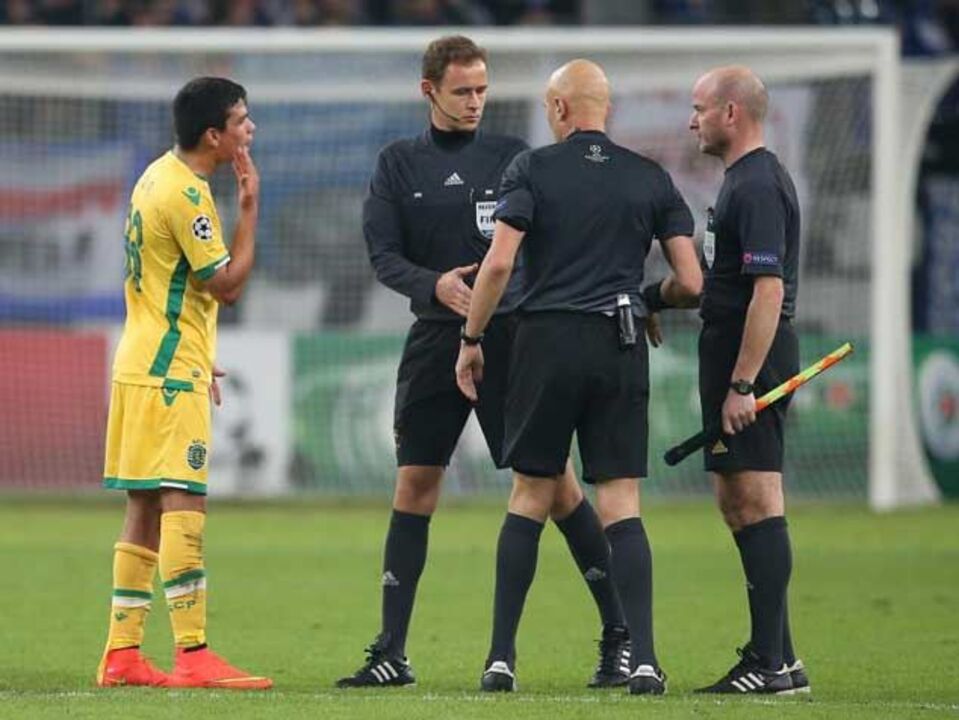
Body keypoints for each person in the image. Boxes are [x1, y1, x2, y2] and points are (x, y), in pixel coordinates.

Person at [337, 36, 632, 689]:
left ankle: (620, 637)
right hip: (433, 340)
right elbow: (382, 255)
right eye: (462, 91)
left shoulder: (513, 159)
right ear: (428, 91)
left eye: (481, 89)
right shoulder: (397, 164)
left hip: (512, 342)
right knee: (414, 483)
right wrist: (432, 285)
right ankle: (391, 650)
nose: (475, 102)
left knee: (554, 485)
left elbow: (546, 245)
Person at [455, 59, 702, 695]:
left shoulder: (531, 168)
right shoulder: (651, 177)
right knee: (620, 501)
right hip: (619, 342)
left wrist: (472, 338)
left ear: (561, 109)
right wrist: (648, 299)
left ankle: (501, 660)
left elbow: (500, 263)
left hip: (547, 341)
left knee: (531, 495)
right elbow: (692, 282)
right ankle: (644, 660)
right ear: (606, 110)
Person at [97, 77, 271, 690]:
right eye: (243, 121)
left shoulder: (155, 175)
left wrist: (200, 354)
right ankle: (194, 654)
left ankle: (121, 655)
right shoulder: (191, 195)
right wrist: (249, 210)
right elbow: (225, 284)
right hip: (169, 374)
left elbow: (169, 284)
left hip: (145, 360)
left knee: (143, 505)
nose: (250, 130)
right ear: (214, 136)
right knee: (182, 502)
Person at [687, 65, 809, 695]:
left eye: (700, 107)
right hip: (733, 355)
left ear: (732, 113)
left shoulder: (758, 184)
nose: (692, 120)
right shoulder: (742, 181)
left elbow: (768, 289)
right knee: (736, 500)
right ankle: (781, 657)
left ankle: (769, 663)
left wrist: (743, 384)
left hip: (749, 360)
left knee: (758, 497)